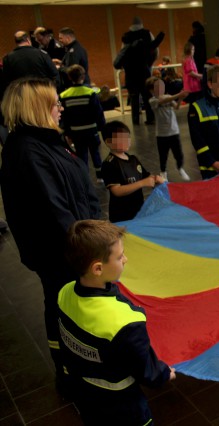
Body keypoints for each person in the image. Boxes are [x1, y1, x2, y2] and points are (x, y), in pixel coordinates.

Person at [0, 77, 101, 393]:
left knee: (67, 306)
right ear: (36, 108)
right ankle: (69, 370)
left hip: (74, 244)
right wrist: (91, 245)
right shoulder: (29, 151)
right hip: (62, 252)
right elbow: (55, 211)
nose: (60, 107)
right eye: (54, 102)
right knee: (62, 308)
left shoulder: (46, 142)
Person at [59, 219, 176, 424]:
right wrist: (165, 374)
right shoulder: (125, 321)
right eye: (120, 256)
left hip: (86, 396)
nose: (126, 260)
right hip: (123, 407)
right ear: (97, 268)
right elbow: (146, 371)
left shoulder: (64, 293)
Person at [101, 120, 165, 222]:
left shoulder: (133, 159)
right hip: (121, 215)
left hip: (137, 210)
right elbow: (117, 191)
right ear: (109, 142)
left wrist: (156, 178)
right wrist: (142, 183)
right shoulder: (109, 164)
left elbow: (146, 176)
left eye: (127, 137)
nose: (127, 141)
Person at [60, 64, 105, 182]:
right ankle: (100, 177)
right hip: (91, 129)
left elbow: (64, 116)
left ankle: (84, 177)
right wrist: (102, 127)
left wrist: (67, 132)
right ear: (83, 77)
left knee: (81, 154)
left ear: (69, 77)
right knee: (95, 152)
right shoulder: (90, 92)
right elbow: (98, 112)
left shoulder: (64, 95)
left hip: (76, 131)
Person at [119, 17, 164, 125]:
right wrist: (150, 64)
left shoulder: (126, 37)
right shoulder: (147, 34)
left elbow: (122, 53)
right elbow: (155, 51)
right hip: (144, 70)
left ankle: (135, 120)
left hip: (130, 72)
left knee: (134, 97)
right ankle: (150, 118)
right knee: (147, 95)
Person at [146, 76, 190, 182]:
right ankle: (163, 172)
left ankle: (180, 168)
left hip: (174, 131)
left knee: (179, 154)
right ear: (152, 90)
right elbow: (163, 100)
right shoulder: (152, 100)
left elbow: (177, 107)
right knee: (163, 156)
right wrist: (178, 95)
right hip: (161, 134)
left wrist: (180, 99)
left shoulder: (169, 96)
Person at [1, 31, 58, 98]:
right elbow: (54, 74)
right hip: (43, 94)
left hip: (22, 97)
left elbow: (6, 82)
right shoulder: (42, 54)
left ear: (16, 42)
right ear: (28, 40)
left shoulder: (7, 58)